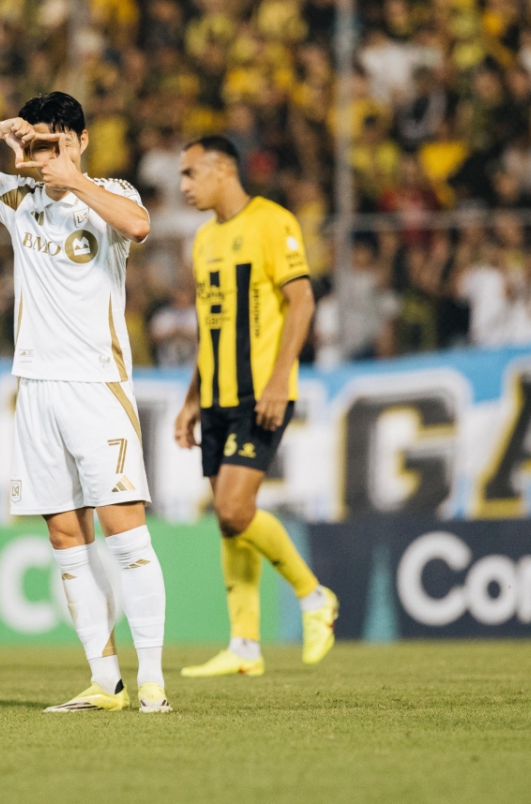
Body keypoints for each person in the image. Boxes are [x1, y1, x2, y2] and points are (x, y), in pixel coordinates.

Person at [0, 91, 170, 713]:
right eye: (38, 140)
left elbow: (140, 226)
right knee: (65, 534)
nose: (47, 152)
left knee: (124, 532)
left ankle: (153, 682)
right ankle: (105, 681)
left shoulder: (111, 192)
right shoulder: (17, 198)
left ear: (82, 141)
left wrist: (74, 180)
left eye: (58, 140)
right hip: (35, 387)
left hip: (96, 386)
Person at [173, 137, 338, 677]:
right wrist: (191, 400)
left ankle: (314, 597)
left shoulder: (272, 221)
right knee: (229, 524)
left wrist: (278, 379)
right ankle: (244, 645)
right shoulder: (203, 240)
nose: (183, 186)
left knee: (234, 509)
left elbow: (302, 300)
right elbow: (210, 327)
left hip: (259, 396)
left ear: (223, 170)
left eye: (191, 173)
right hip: (216, 397)